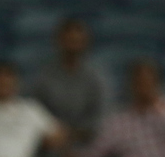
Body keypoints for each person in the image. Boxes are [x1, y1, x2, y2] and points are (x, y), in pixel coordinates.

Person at [32, 18, 110, 147]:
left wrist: (73, 134)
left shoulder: (98, 76)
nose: (73, 46)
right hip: (51, 139)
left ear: (86, 43)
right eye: (69, 41)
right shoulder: (43, 74)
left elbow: (102, 114)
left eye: (77, 42)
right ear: (59, 41)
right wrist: (52, 130)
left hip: (87, 139)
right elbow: (34, 109)